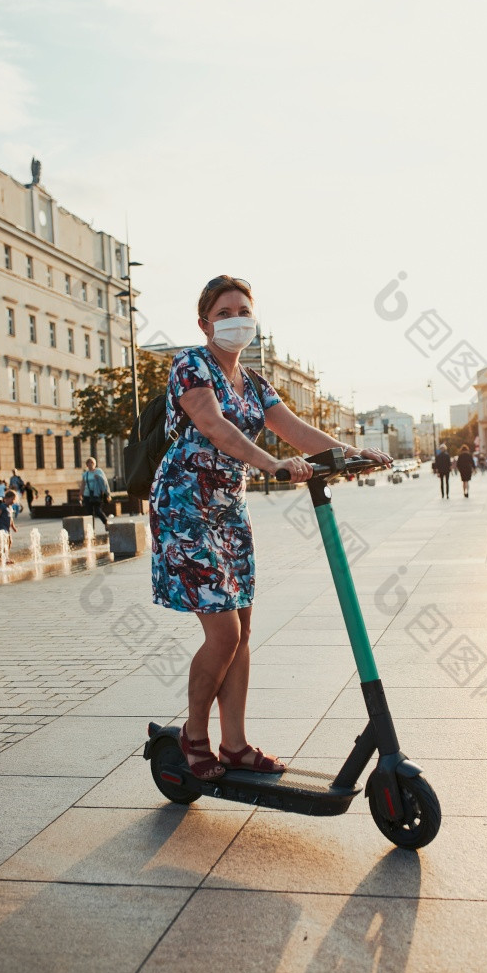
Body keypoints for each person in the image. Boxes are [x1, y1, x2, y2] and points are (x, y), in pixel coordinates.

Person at [150, 274, 390, 781]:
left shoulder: (257, 384)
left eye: (243, 311)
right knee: (224, 631)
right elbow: (215, 425)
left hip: (229, 510)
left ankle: (235, 745)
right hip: (184, 505)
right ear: (204, 323)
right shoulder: (191, 365)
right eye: (224, 313)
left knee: (244, 631)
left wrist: (351, 454)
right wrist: (271, 464)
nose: (236, 320)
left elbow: (296, 429)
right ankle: (196, 734)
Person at [80, 457, 111, 528]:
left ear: (95, 464)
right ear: (87, 465)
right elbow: (83, 485)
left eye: (92, 463)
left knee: (98, 511)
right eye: (89, 463)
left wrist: (107, 493)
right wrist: (80, 494)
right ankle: (91, 528)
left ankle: (106, 522)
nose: (91, 464)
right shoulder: (85, 474)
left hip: (97, 494)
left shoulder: (99, 471)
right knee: (89, 513)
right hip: (87, 495)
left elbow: (105, 482)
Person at [0, 489, 18, 562]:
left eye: (14, 499)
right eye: (12, 499)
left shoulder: (10, 507)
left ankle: (6, 556)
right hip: (1, 527)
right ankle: (4, 558)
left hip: (7, 528)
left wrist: (13, 527)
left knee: (10, 541)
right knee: (5, 541)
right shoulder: (2, 506)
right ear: (6, 499)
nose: (13, 501)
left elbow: (11, 519)